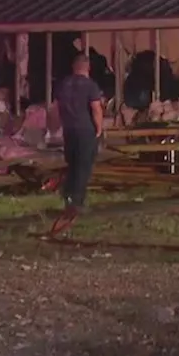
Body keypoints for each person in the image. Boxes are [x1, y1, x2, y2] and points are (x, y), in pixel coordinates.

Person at [48, 53, 105, 235]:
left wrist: (53, 128)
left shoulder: (63, 84)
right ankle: (77, 203)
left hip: (69, 131)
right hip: (85, 131)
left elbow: (55, 109)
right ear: (87, 67)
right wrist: (99, 128)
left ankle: (68, 197)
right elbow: (96, 109)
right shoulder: (90, 86)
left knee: (72, 165)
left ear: (74, 67)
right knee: (83, 166)